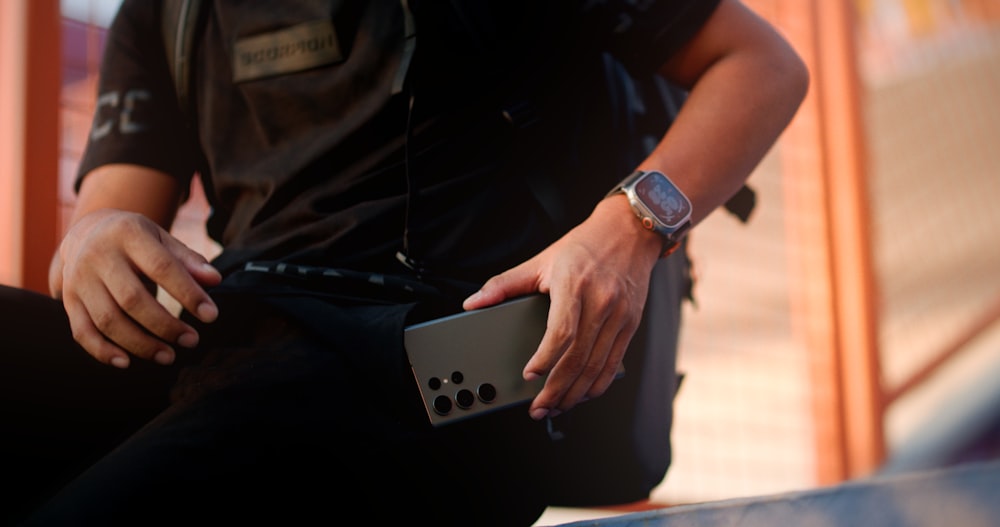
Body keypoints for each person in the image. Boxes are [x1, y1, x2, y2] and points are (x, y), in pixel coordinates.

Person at [1, 0, 808, 525]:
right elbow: (114, 208)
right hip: (240, 332)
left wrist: (627, 230)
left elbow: (763, 65)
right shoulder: (167, 13)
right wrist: (92, 240)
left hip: (440, 367)